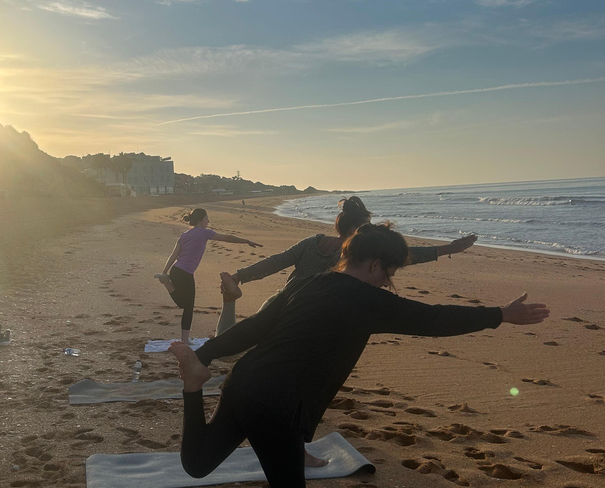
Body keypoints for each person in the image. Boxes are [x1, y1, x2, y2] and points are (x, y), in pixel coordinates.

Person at [169, 223, 549, 488]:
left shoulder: (308, 284)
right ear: (374, 265)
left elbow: (255, 328)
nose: (388, 281)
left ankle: (193, 386)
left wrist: (205, 355)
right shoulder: (369, 300)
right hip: (277, 404)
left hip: (245, 380)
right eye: (390, 272)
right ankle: (194, 383)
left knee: (198, 464)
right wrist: (500, 315)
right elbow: (434, 318)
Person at [215, 196, 477, 335]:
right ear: (355, 230)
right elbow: (405, 255)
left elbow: (276, 262)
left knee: (229, 342)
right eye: (367, 229)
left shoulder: (311, 242)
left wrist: (240, 276)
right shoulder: (353, 254)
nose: (371, 234)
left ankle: (230, 300)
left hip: (279, 301)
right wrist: (447, 249)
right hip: (305, 318)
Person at [155, 208, 263, 343]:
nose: (208, 221)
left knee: (184, 304)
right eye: (207, 219)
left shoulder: (184, 235)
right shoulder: (204, 233)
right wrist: (246, 240)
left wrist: (165, 271)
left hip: (176, 271)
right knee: (187, 307)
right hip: (185, 273)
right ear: (201, 220)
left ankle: (166, 281)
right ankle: (184, 340)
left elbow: (174, 255)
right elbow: (227, 238)